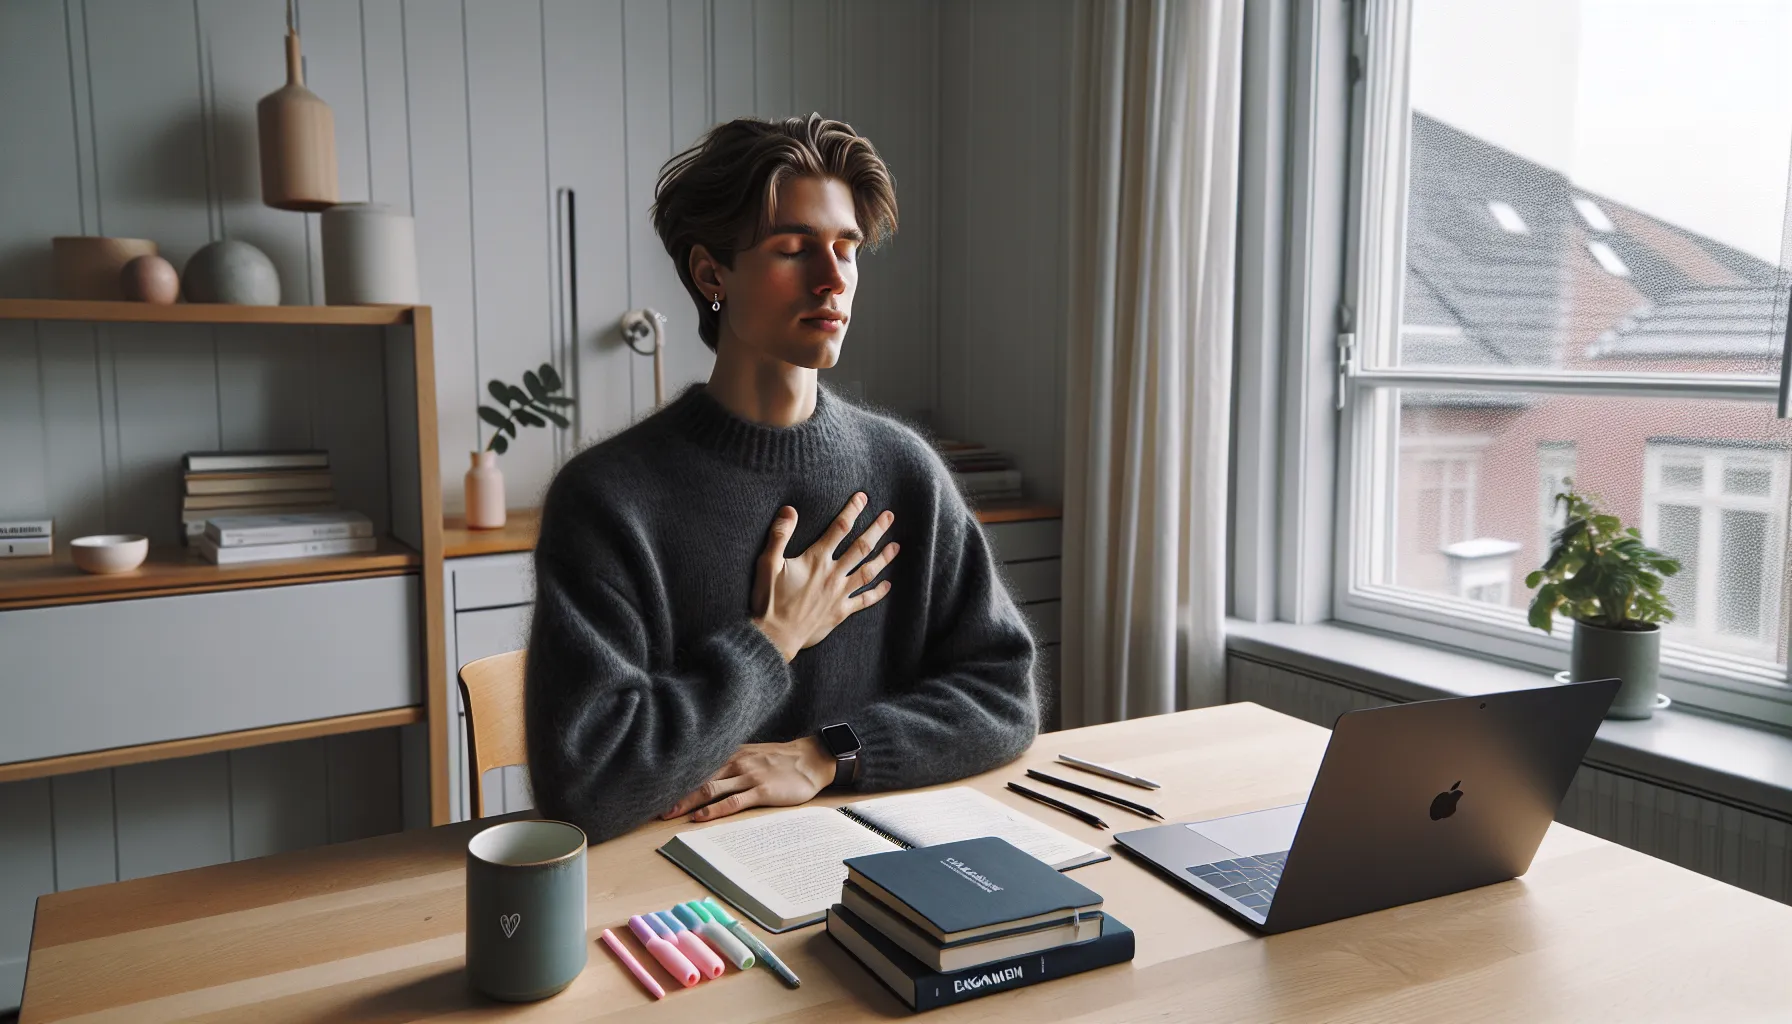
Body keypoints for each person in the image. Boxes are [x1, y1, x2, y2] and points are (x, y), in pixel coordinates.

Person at [525, 113, 1038, 844]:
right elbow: (589, 783)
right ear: (712, 274)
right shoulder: (609, 499)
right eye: (796, 249)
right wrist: (771, 640)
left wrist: (828, 754)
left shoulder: (904, 472)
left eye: (848, 249)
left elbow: (1005, 694)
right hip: (671, 889)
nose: (834, 280)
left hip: (870, 867)